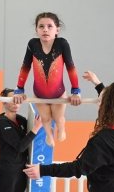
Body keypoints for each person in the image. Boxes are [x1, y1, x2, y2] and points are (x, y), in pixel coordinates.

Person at [24, 71, 114, 192]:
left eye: (99, 101)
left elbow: (78, 168)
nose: (97, 104)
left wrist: (42, 170)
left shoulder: (102, 142)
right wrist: (98, 84)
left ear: (107, 106)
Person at [13, 12, 81, 147]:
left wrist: (76, 91)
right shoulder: (33, 44)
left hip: (58, 93)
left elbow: (70, 67)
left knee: (58, 118)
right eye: (41, 26)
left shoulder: (62, 44)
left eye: (50, 26)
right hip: (39, 94)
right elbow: (25, 66)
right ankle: (49, 136)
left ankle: (61, 129)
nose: (45, 29)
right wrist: (19, 89)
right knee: (45, 118)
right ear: (36, 30)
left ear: (57, 30)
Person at [0, 88, 43, 192]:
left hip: (21, 170)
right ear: (4, 103)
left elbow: (33, 133)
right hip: (7, 171)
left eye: (18, 99)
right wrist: (35, 129)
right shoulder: (2, 123)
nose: (16, 102)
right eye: (12, 99)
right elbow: (20, 146)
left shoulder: (20, 120)